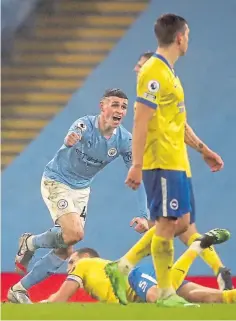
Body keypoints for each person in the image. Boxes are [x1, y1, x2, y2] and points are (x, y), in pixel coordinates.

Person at [105, 13, 225, 307]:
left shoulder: (170, 73)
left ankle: (122, 266)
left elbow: (178, 123)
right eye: (188, 36)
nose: (189, 42)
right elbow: (140, 120)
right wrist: (136, 164)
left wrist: (203, 150)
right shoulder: (154, 72)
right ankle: (166, 293)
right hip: (161, 161)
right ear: (180, 37)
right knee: (168, 222)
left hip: (177, 161)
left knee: (182, 223)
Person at [9, 88, 148, 303]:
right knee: (74, 233)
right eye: (114, 104)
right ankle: (31, 242)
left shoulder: (124, 141)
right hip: (57, 180)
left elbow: (137, 178)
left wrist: (144, 214)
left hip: (81, 190)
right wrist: (68, 143)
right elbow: (66, 146)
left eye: (123, 107)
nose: (119, 110)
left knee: (65, 251)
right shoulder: (84, 125)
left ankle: (18, 289)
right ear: (102, 106)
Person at [131, 51, 233, 291]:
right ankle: (220, 270)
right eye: (137, 66)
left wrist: (136, 164)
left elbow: (173, 126)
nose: (137, 70)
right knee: (186, 228)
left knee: (170, 225)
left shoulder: (151, 95)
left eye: (141, 66)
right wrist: (204, 150)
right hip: (172, 164)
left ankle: (127, 266)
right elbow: (180, 125)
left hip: (160, 165)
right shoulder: (158, 92)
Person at [8, 229, 236, 305]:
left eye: (71, 261)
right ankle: (230, 295)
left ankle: (197, 246)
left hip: (139, 277)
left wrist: (35, 307)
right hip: (144, 277)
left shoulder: (84, 264)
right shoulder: (100, 268)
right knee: (208, 297)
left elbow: (59, 299)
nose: (68, 268)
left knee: (162, 297)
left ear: (84, 256)